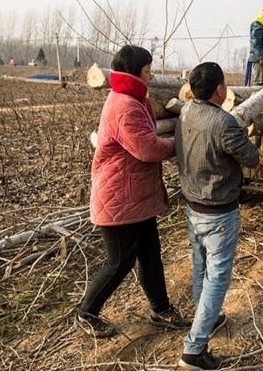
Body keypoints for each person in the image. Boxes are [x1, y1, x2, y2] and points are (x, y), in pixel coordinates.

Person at [76, 45, 190, 338]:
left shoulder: (130, 98)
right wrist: (180, 142)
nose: (151, 76)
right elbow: (147, 149)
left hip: (135, 195)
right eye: (148, 70)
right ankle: (85, 313)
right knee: (120, 261)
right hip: (118, 196)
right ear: (135, 71)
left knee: (150, 255)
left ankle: (161, 309)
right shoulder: (125, 105)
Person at [175, 62, 260, 370]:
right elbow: (252, 158)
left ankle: (205, 321)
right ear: (220, 89)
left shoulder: (185, 111)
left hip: (193, 206)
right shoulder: (224, 123)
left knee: (201, 269)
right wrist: (245, 134)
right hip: (219, 214)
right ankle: (193, 351)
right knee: (217, 279)